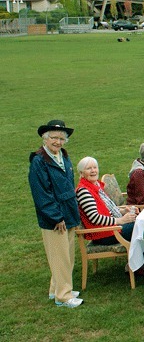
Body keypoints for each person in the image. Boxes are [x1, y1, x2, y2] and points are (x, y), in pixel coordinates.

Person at [28, 120, 83, 308]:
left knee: (66, 255)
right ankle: (64, 296)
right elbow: (42, 193)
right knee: (59, 257)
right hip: (54, 218)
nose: (58, 142)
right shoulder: (39, 161)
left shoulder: (63, 156)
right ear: (45, 138)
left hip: (68, 212)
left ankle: (55, 289)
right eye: (54, 138)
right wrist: (55, 216)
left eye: (61, 139)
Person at [75, 157, 137, 245]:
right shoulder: (83, 191)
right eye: (88, 168)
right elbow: (94, 218)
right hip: (104, 234)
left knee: (142, 221)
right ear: (81, 173)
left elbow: (106, 208)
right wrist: (120, 220)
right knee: (141, 227)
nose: (93, 171)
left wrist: (123, 211)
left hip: (113, 228)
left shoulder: (96, 185)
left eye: (95, 167)